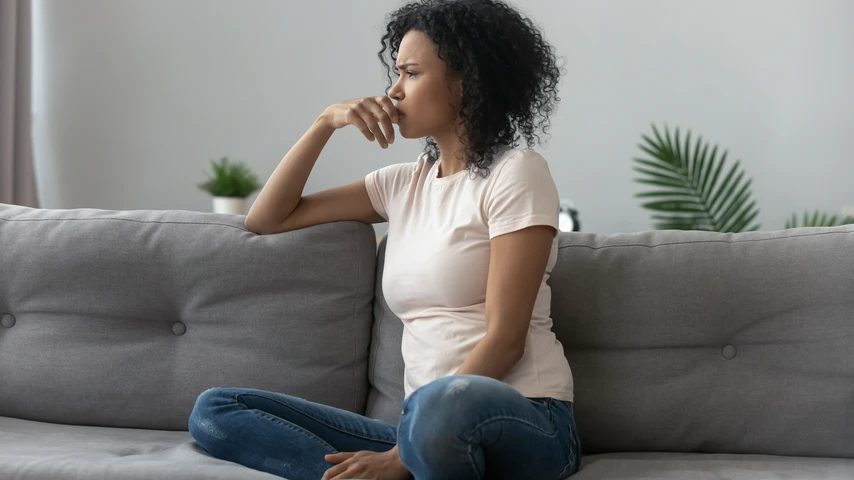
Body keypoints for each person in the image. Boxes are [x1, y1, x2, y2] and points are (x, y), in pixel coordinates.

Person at [188, 0, 580, 478]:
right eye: (396, 73)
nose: (393, 91)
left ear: (466, 82)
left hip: (526, 418)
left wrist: (400, 457)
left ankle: (410, 460)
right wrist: (325, 122)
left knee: (439, 411)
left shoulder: (516, 173)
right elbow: (267, 218)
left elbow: (505, 339)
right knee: (217, 410)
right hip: (420, 430)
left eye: (411, 73)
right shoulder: (401, 184)